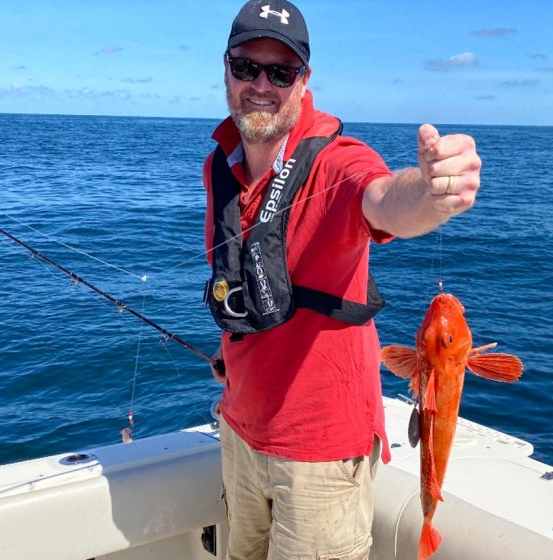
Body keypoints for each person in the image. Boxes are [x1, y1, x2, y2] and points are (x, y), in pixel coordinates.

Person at [202, 1, 481, 558]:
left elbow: (381, 198)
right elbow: (243, 281)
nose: (261, 84)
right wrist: (227, 350)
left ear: (303, 82)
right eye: (246, 66)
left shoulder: (337, 163)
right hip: (238, 428)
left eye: (280, 72)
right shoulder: (222, 163)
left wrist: (430, 195)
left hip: (320, 459)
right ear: (225, 70)